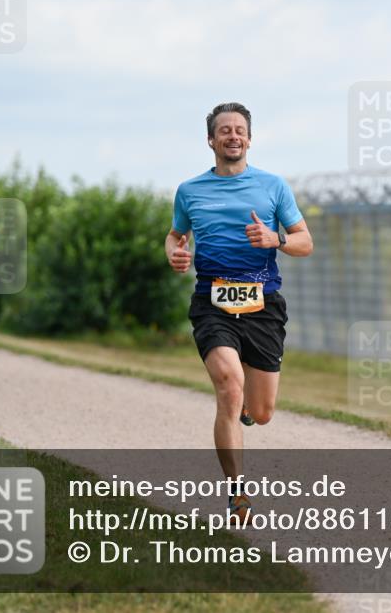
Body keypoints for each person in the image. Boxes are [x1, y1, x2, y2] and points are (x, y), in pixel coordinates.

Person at [165, 103, 313, 521]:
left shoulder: (272, 186)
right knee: (229, 385)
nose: (233, 136)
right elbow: (175, 235)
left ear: (249, 138)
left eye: (240, 130)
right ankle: (237, 493)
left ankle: (251, 408)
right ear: (210, 140)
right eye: (224, 130)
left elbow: (305, 241)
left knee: (262, 413)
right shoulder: (190, 191)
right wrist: (176, 255)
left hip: (262, 304)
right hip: (212, 303)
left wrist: (275, 239)